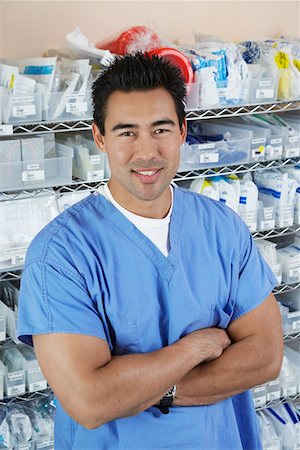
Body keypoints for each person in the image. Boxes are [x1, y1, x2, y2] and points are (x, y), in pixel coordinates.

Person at [17, 54, 283, 450]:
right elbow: (92, 400)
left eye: (160, 129)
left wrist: (155, 387)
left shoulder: (221, 227)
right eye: (126, 132)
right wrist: (195, 347)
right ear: (100, 137)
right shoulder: (61, 254)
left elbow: (265, 356)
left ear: (181, 132)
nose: (146, 151)